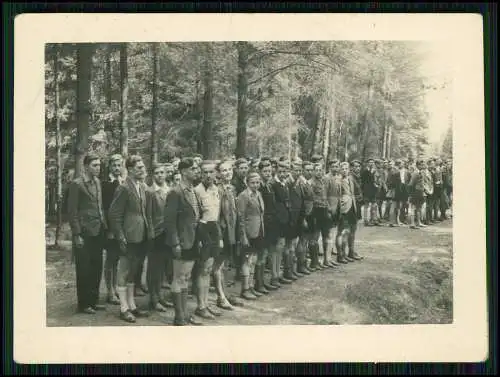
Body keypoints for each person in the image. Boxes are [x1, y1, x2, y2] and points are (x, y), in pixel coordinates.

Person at [108, 155, 151, 323]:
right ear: (131, 170)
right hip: (128, 235)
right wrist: (120, 236)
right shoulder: (124, 188)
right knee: (124, 270)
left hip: (141, 235)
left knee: (134, 270)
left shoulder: (141, 187)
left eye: (143, 167)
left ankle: (132, 305)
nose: (143, 170)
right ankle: (123, 308)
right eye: (139, 168)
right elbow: (114, 214)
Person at [164, 157, 203, 326]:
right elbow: (169, 221)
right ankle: (178, 315)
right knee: (179, 277)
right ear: (183, 171)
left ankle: (185, 312)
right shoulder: (175, 192)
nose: (197, 171)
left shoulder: (192, 190)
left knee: (186, 277)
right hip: (181, 241)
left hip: (192, 239)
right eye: (193, 169)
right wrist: (175, 243)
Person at [67, 153, 107, 314]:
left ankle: (94, 300)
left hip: (98, 231)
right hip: (84, 233)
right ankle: (84, 304)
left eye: (99, 165)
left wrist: (105, 226)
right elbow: (72, 211)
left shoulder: (98, 182)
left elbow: (99, 206)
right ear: (85, 166)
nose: (98, 168)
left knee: (97, 266)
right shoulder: (77, 184)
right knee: (84, 268)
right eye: (94, 165)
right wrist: (77, 234)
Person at [193, 160, 225, 319]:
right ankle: (201, 305)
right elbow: (196, 216)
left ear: (215, 173)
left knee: (209, 267)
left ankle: (205, 303)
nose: (208, 175)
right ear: (200, 173)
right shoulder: (196, 191)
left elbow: (217, 214)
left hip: (214, 228)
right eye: (204, 172)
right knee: (203, 269)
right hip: (202, 229)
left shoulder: (216, 189)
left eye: (211, 172)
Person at [145, 163, 172, 313]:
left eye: (162, 172)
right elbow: (148, 214)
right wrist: (150, 232)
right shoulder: (150, 192)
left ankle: (160, 295)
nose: (160, 175)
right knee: (153, 268)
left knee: (163, 267)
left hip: (167, 233)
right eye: (157, 173)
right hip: (155, 233)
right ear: (152, 175)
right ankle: (153, 298)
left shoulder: (170, 190)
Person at [216, 160, 242, 309]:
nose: (228, 173)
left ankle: (225, 293)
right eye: (224, 170)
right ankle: (220, 297)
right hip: (222, 230)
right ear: (219, 174)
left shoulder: (232, 188)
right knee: (218, 266)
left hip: (231, 230)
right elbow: (218, 214)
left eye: (229, 169)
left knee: (225, 264)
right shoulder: (218, 190)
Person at [236, 172, 265, 300]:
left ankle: (251, 285)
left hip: (258, 230)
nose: (255, 185)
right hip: (248, 232)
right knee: (246, 260)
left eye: (258, 182)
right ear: (247, 183)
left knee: (253, 260)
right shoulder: (243, 196)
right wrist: (243, 236)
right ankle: (245, 288)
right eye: (252, 182)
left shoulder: (259, 194)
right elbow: (240, 217)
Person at [101, 154, 124, 305]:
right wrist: (108, 229)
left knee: (117, 259)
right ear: (110, 167)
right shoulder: (105, 184)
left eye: (119, 165)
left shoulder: (124, 182)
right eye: (114, 165)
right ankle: (109, 291)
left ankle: (115, 287)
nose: (117, 168)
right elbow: (105, 207)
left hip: (121, 226)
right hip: (110, 228)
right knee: (110, 259)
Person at [335, 161, 364, 263]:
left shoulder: (350, 178)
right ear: (339, 169)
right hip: (343, 208)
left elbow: (355, 191)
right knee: (343, 231)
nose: (344, 170)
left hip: (352, 207)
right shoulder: (338, 180)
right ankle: (340, 255)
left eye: (346, 168)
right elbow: (336, 196)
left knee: (352, 230)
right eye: (342, 168)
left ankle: (350, 252)